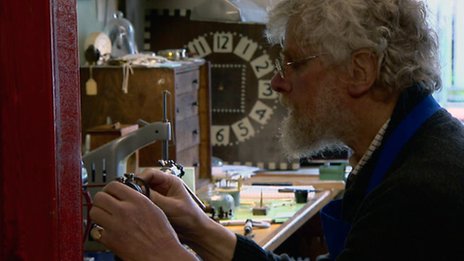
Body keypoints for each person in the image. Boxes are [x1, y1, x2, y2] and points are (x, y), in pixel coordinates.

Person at [89, 0, 464, 260]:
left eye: (294, 64)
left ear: (359, 71)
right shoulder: (406, 150)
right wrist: (200, 229)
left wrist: (163, 254)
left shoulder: (422, 189)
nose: (278, 83)